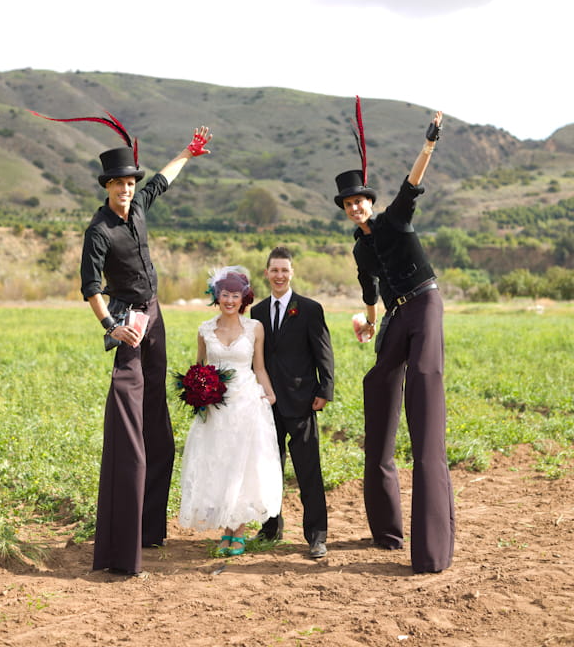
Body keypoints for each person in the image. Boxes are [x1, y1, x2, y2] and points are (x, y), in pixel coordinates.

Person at [80, 124, 212, 577]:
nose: (127, 190)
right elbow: (89, 288)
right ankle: (122, 531)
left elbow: (162, 180)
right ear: (107, 187)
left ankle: (149, 528)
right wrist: (111, 326)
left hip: (156, 317)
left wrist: (187, 153)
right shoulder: (98, 231)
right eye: (120, 184)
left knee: (157, 416)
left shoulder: (139, 207)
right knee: (129, 415)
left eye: (130, 184)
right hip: (129, 323)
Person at [334, 109, 454, 574]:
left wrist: (429, 143)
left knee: (423, 392)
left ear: (368, 200)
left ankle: (431, 548)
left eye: (359, 201)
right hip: (396, 316)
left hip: (425, 305)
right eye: (347, 205)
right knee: (378, 382)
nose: (355, 208)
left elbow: (412, 183)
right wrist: (368, 322)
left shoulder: (395, 218)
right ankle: (386, 531)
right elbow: (371, 292)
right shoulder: (360, 247)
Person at [178, 267, 282, 556]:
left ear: (243, 298)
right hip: (215, 407)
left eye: (235, 295)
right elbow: (198, 368)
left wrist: (270, 395)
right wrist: (197, 392)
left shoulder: (254, 328)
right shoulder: (204, 329)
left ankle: (238, 531)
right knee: (220, 463)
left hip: (246, 403)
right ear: (217, 296)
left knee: (244, 464)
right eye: (225, 294)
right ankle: (226, 528)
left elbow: (258, 367)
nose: (230, 300)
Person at [251, 247, 335, 559]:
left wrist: (325, 389)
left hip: (302, 402)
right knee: (269, 469)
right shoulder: (257, 312)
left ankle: (316, 536)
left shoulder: (310, 309)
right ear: (266, 273)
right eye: (274, 270)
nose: (279, 275)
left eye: (284, 270)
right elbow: (256, 358)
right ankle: (270, 527)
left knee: (308, 471)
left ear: (292, 273)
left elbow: (323, 351)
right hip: (267, 402)